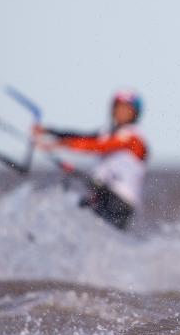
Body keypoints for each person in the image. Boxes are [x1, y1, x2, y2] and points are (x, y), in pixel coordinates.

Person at [33, 90, 148, 230]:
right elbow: (82, 137)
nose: (121, 112)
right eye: (118, 107)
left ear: (135, 113)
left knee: (101, 230)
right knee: (72, 212)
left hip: (120, 202)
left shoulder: (134, 137)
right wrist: (48, 131)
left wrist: (56, 145)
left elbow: (98, 146)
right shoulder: (107, 132)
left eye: (126, 109)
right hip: (102, 192)